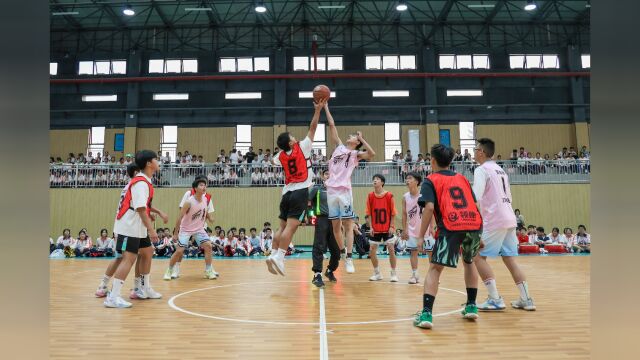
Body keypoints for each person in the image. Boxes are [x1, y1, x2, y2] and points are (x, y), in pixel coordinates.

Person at [413, 144, 483, 329]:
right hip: (474, 224)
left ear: (432, 160)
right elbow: (475, 205)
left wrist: (420, 237)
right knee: (469, 262)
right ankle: (471, 306)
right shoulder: (462, 178)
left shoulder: (431, 179)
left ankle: (426, 314)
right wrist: (479, 232)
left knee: (435, 268)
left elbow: (428, 208)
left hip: (451, 225)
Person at [471, 138, 536, 311]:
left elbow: (475, 197)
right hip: (509, 217)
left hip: (495, 218)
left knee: (477, 256)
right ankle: (526, 299)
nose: (474, 152)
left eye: (475, 149)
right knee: (509, 259)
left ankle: (494, 299)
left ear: (481, 152)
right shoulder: (501, 170)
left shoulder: (481, 170)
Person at [266, 98, 327, 276]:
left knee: (281, 227)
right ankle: (280, 257)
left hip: (286, 193)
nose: (294, 137)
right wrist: (317, 110)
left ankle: (274, 254)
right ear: (291, 143)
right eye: (292, 137)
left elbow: (272, 160)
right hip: (300, 192)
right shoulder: (302, 147)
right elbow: (313, 128)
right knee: (291, 228)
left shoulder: (280, 156)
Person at [94, 164, 169, 299]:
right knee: (122, 257)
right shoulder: (136, 184)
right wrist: (153, 225)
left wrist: (157, 213)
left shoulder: (134, 185)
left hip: (137, 227)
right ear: (137, 172)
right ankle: (103, 286)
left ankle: (138, 287)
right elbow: (140, 206)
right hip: (126, 227)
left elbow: (143, 206)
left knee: (146, 252)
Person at [324, 103, 376, 274]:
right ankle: (342, 253)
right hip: (331, 190)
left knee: (348, 225)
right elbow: (332, 125)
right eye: (353, 136)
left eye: (353, 136)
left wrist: (362, 139)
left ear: (356, 142)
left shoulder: (355, 155)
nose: (350, 136)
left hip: (345, 191)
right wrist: (325, 107)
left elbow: (372, 154)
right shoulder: (339, 147)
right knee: (335, 226)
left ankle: (349, 257)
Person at [164, 177, 217, 280]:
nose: (204, 187)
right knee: (179, 251)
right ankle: (169, 270)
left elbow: (203, 212)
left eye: (205, 185)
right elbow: (179, 217)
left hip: (199, 229)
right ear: (195, 188)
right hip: (186, 229)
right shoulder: (189, 202)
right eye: (201, 185)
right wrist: (175, 234)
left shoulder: (206, 199)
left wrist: (210, 218)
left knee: (208, 246)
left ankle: (208, 270)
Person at [401, 172, 435, 285]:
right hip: (411, 229)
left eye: (410, 178)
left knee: (431, 252)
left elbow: (431, 211)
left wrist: (432, 227)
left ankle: (433, 275)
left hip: (425, 229)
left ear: (416, 181)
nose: (407, 180)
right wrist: (404, 229)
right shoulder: (405, 197)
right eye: (406, 178)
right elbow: (404, 214)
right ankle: (415, 275)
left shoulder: (423, 195)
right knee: (413, 252)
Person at [309, 169, 341, 288]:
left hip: (335, 221)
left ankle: (330, 270)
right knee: (319, 247)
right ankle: (317, 275)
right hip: (321, 220)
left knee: (336, 251)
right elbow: (306, 200)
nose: (329, 176)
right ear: (323, 176)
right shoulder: (317, 189)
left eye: (331, 174)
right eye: (327, 174)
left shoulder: (337, 190)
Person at [365, 174, 399, 282]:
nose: (375, 181)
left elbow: (393, 213)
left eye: (377, 179)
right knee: (372, 251)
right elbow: (368, 213)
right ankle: (377, 273)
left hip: (387, 228)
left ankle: (393, 273)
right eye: (373, 179)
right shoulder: (370, 196)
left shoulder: (389, 195)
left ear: (382, 182)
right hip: (375, 228)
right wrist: (370, 227)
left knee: (391, 249)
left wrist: (392, 226)